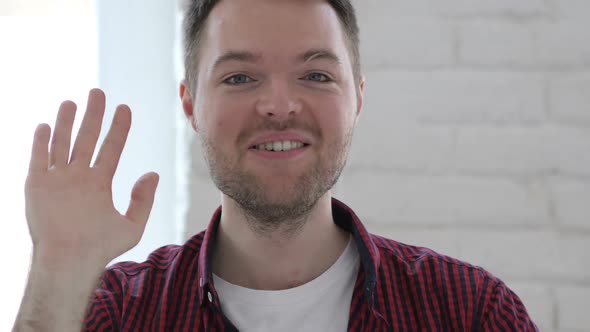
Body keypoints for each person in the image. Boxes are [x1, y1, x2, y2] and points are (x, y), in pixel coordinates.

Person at [13, 0, 539, 331]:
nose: (280, 106)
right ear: (190, 105)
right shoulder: (116, 313)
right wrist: (58, 269)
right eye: (240, 78)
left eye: (315, 75)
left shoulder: (470, 311)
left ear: (357, 98)